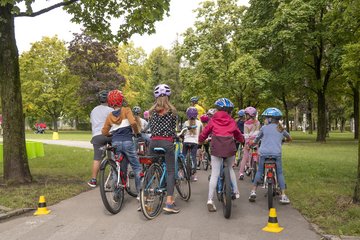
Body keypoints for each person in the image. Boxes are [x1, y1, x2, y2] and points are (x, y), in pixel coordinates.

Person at [199, 98, 244, 212]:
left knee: (214, 173)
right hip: (229, 147)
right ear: (229, 111)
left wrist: (200, 141)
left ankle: (210, 200)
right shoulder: (232, 121)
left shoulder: (213, 120)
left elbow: (205, 132)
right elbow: (238, 134)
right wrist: (242, 140)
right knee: (229, 169)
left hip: (216, 147)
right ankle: (235, 191)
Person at [101, 90, 143, 197]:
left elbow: (104, 132)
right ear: (121, 100)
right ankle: (140, 194)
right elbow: (133, 122)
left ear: (109, 102)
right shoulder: (126, 110)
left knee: (117, 167)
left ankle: (116, 195)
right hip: (128, 142)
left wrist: (111, 134)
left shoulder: (109, 116)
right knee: (137, 167)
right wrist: (136, 132)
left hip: (116, 143)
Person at [248, 107, 292, 204]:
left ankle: (253, 192)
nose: (265, 119)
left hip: (264, 154)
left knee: (259, 171)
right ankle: (283, 195)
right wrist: (284, 140)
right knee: (280, 173)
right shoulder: (281, 129)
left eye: (266, 118)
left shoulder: (264, 128)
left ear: (270, 119)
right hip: (276, 154)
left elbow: (256, 140)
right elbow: (289, 138)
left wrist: (252, 144)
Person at [148, 84, 180, 213]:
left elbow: (151, 128)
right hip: (166, 143)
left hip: (153, 143)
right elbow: (173, 129)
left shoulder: (151, 112)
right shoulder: (172, 112)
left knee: (151, 168)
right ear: (168, 96)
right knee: (171, 172)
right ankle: (169, 203)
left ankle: (146, 198)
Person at [87, 90, 113, 188]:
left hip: (97, 136)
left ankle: (93, 180)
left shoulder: (93, 110)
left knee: (97, 159)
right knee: (115, 155)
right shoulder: (110, 110)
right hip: (109, 135)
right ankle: (114, 177)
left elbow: (93, 123)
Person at [238, 106, 261, 180]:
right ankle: (260, 173)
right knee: (258, 156)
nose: (245, 116)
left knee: (245, 157)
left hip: (248, 142)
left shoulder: (246, 124)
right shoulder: (258, 122)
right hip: (255, 142)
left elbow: (246, 135)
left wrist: (247, 143)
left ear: (249, 115)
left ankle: (241, 173)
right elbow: (258, 133)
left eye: (246, 114)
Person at [181, 107, 202, 181]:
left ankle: (182, 173)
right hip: (195, 142)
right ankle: (195, 175)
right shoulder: (199, 123)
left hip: (186, 141)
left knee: (183, 156)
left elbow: (182, 133)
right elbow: (201, 133)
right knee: (193, 157)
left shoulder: (185, 123)